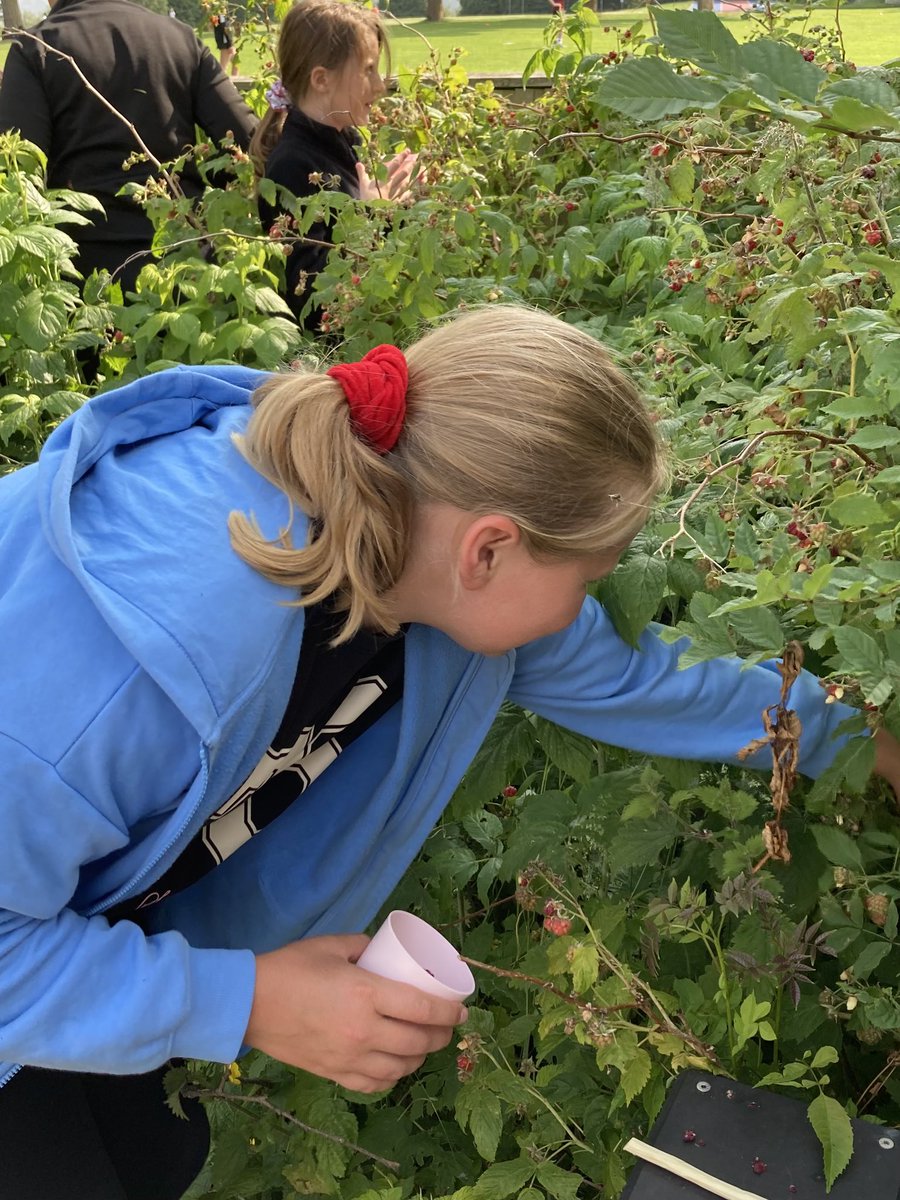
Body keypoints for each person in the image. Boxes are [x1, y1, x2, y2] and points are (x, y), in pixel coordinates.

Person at [0, 305, 898, 1199]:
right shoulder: (144, 657)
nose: (588, 604)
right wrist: (253, 1002)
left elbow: (652, 681)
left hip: (86, 940)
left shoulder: (412, 545)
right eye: (586, 578)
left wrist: (870, 739)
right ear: (490, 548)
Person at [0, 0, 256, 292]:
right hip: (188, 271)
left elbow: (16, 174)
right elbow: (248, 145)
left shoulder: (35, 48)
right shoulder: (178, 37)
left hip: (87, 282)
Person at [251, 0, 418, 326]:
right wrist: (369, 216)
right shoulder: (292, 167)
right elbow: (311, 305)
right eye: (368, 69)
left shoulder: (346, 140)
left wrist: (400, 207)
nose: (381, 85)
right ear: (321, 79)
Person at [210, 8, 237, 76]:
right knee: (223, 68)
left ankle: (235, 82)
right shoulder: (220, 16)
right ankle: (220, 84)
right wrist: (230, 45)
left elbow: (216, 28)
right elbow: (224, 29)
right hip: (226, 45)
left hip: (224, 43)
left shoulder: (216, 16)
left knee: (236, 64)